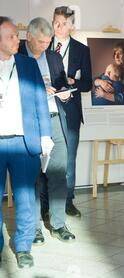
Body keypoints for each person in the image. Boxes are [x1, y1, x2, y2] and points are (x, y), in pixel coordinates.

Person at [0, 17, 53, 268]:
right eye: (10, 36)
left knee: (24, 199)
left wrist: (45, 136)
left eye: (16, 34)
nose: (17, 40)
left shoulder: (28, 65)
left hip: (24, 142)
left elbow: (40, 101)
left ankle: (23, 246)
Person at [19, 17, 76, 245]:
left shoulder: (53, 57)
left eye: (48, 41)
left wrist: (65, 92)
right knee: (31, 178)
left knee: (58, 174)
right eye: (41, 42)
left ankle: (59, 224)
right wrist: (37, 88)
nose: (45, 46)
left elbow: (62, 84)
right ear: (29, 37)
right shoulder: (16, 58)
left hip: (54, 121)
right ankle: (33, 229)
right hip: (30, 124)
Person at [50, 6, 92, 218]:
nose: (59, 27)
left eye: (64, 23)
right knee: (46, 158)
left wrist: (73, 80)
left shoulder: (81, 50)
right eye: (56, 22)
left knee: (69, 158)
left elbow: (88, 84)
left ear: (72, 26)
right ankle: (46, 205)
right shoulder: (44, 45)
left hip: (71, 110)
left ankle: (67, 201)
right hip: (46, 108)